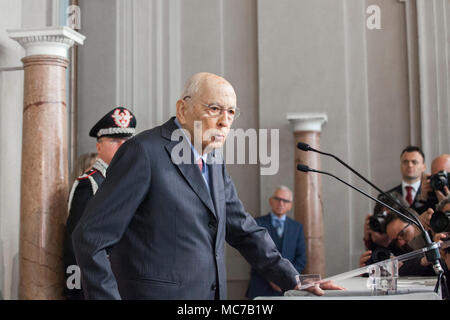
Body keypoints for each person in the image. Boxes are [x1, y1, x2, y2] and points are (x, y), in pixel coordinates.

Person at [72, 72, 343, 300]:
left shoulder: (213, 159)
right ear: (183, 109)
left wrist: (296, 280)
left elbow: (243, 229)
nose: (225, 121)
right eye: (214, 109)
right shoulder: (143, 152)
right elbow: (90, 238)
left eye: (231, 112)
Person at [63, 107, 137, 300]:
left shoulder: (133, 181)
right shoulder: (89, 184)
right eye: (115, 141)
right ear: (99, 147)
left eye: (127, 141)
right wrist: (77, 292)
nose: (122, 146)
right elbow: (75, 245)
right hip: (99, 288)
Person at [246, 186, 306, 299]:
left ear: (290, 205)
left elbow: (301, 258)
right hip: (261, 286)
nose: (281, 203)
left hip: (290, 288)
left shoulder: (297, 227)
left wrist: (287, 278)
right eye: (277, 199)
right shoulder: (257, 223)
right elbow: (253, 256)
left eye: (285, 201)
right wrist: (272, 278)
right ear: (271, 201)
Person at [363, 146, 427, 251]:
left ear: (423, 166)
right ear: (401, 165)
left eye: (414, 162)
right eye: (405, 162)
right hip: (395, 255)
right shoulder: (385, 196)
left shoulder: (431, 195)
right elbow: (378, 234)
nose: (409, 165)